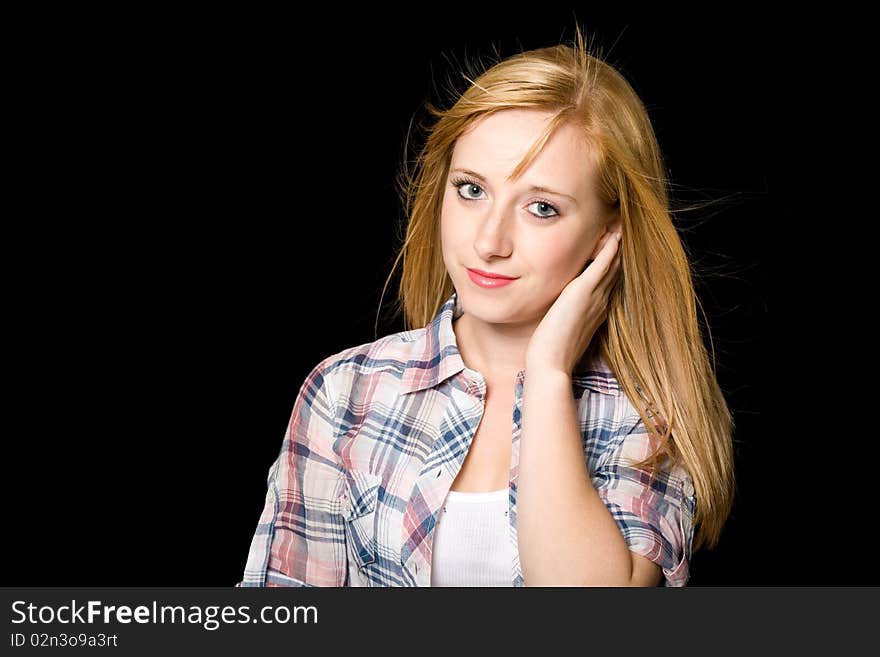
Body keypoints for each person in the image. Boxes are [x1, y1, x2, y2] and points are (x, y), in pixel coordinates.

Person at [237, 26, 735, 587]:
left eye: (542, 207)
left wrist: (547, 373)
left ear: (606, 238)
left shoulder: (646, 419)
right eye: (472, 190)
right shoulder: (348, 391)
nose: (489, 241)